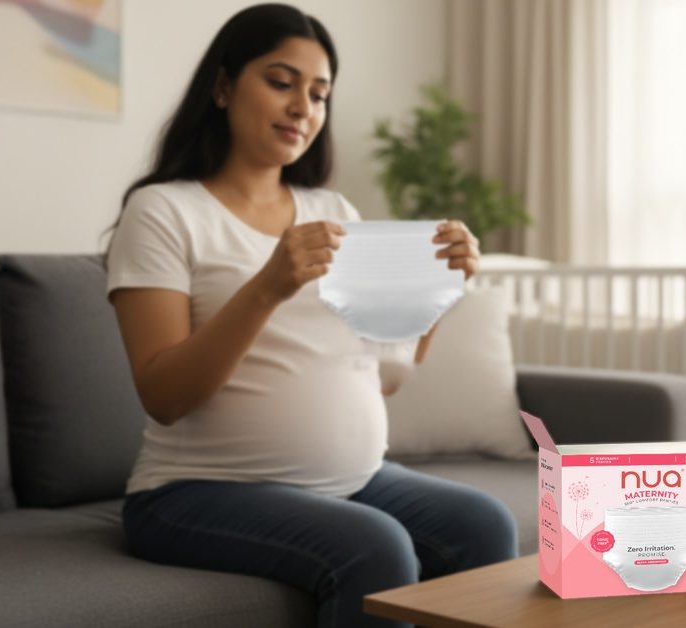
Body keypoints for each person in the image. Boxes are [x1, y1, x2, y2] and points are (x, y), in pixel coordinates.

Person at [103, 5, 518, 627]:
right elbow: (164, 393)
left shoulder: (334, 209)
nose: (304, 106)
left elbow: (386, 372)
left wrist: (441, 291)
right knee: (374, 548)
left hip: (351, 479)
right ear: (222, 86)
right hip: (193, 491)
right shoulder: (163, 212)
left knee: (483, 523)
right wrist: (267, 286)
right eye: (281, 81)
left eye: (319, 93)